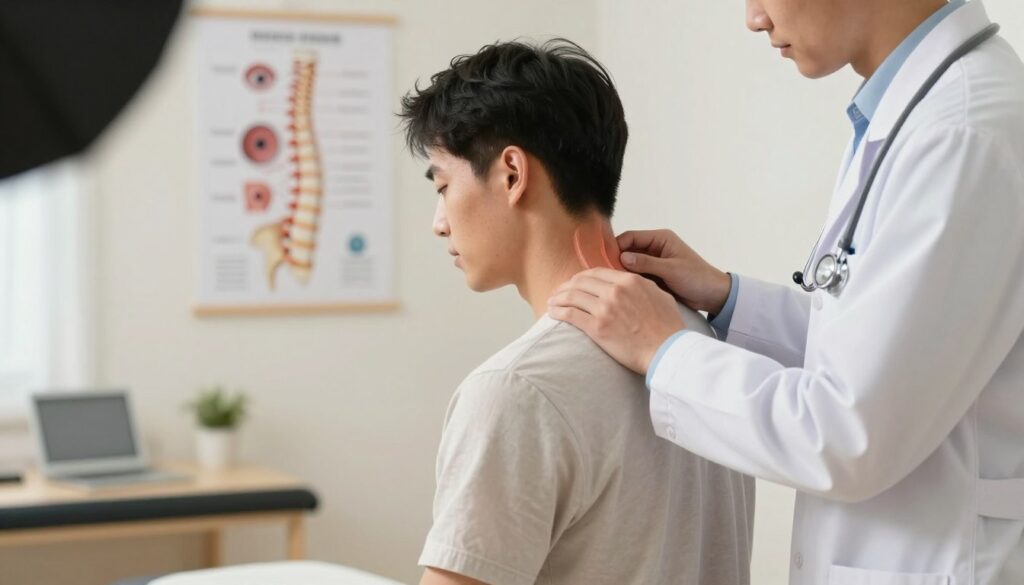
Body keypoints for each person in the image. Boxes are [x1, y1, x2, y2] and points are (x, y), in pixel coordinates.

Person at [548, 1, 1024, 584]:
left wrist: (663, 349)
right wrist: (728, 300)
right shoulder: (917, 113)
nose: (754, 18)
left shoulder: (962, 133)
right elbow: (889, 352)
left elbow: (849, 435)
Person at [400, 40, 754, 585]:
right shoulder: (697, 341)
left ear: (512, 174)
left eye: (444, 186)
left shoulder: (516, 390)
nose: (439, 222)